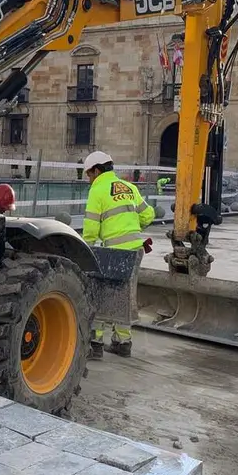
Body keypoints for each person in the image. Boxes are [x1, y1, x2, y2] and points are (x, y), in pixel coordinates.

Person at [81, 151, 155, 359]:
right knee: (124, 295)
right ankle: (123, 343)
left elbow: (91, 229)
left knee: (99, 293)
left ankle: (95, 344)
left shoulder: (98, 190)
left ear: (96, 170)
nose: (89, 179)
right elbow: (148, 214)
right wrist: (132, 229)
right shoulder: (129, 187)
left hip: (113, 252)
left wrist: (84, 251)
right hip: (135, 250)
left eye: (89, 174)